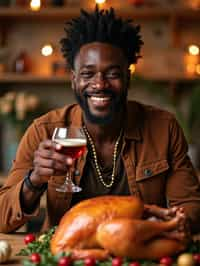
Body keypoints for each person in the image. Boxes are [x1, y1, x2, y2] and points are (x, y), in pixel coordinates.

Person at [0, 6, 199, 238]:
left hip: (135, 252)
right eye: (87, 74)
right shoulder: (45, 131)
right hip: (62, 256)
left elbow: (191, 209)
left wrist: (160, 223)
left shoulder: (164, 128)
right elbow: (2, 219)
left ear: (127, 77)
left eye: (112, 74)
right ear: (74, 80)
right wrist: (34, 181)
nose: (100, 84)